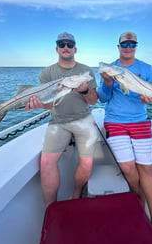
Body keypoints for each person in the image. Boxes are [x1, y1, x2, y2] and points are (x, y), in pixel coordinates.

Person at [97, 31, 152, 244]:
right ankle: (140, 201)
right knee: (128, 168)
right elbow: (102, 98)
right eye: (124, 44)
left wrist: (150, 99)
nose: (128, 47)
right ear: (118, 46)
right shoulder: (110, 69)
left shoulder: (146, 69)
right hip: (115, 122)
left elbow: (151, 95)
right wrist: (107, 82)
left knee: (146, 168)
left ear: (136, 46)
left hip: (140, 122)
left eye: (132, 44)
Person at [25, 32, 99, 207]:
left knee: (87, 162)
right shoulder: (46, 73)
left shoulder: (86, 70)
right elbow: (49, 105)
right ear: (57, 48)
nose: (66, 47)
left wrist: (83, 90)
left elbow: (94, 100)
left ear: (75, 49)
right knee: (46, 162)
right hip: (58, 121)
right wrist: (39, 104)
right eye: (62, 44)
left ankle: (76, 195)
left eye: (69, 44)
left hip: (84, 119)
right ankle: (51, 208)